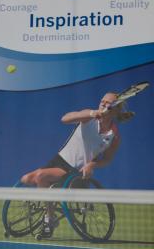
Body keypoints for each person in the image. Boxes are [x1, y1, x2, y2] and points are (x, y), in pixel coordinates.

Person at [19, 91, 133, 238]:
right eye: (102, 101)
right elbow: (65, 119)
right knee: (26, 179)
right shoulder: (88, 116)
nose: (103, 104)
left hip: (76, 172)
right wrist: (91, 113)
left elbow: (107, 159)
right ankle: (48, 203)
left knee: (41, 177)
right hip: (59, 160)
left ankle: (49, 220)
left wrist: (92, 165)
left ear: (116, 109)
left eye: (108, 103)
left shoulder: (114, 136)